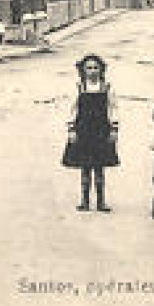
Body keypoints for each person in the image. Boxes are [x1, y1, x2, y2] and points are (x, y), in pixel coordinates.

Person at [62, 54, 119, 212]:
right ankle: (85, 201)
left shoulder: (107, 87)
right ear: (83, 70)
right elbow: (72, 109)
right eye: (89, 68)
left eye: (95, 67)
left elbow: (113, 108)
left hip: (101, 130)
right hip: (84, 131)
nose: (92, 71)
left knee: (100, 167)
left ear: (101, 70)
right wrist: (71, 129)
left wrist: (114, 129)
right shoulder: (79, 88)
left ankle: (101, 202)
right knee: (85, 167)